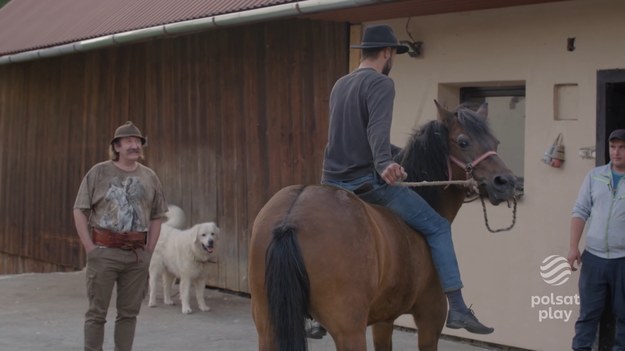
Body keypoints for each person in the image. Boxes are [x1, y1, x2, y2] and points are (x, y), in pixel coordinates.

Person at [310, 23, 494, 336]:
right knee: (437, 225)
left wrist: (397, 154)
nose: (392, 58)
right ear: (387, 52)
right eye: (394, 53)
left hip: (332, 183)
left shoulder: (341, 83)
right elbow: (375, 130)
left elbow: (351, 136)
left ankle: (316, 317)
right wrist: (384, 163)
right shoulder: (381, 84)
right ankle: (459, 308)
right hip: (364, 184)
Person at [73, 121, 168, 351]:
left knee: (129, 314)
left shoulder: (150, 177)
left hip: (137, 255)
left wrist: (149, 251)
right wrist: (90, 248)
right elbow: (80, 209)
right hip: (104, 252)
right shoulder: (99, 172)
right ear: (116, 146)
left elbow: (157, 215)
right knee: (97, 313)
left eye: (137, 142)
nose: (134, 146)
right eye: (129, 141)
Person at [567, 128, 625, 350]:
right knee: (588, 315)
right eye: (613, 147)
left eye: (621, 147)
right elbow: (580, 211)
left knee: (624, 317)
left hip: (623, 260)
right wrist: (573, 247)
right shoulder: (594, 176)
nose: (616, 152)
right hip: (594, 259)